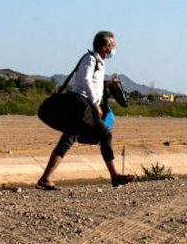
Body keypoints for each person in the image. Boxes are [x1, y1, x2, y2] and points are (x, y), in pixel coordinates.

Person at [36, 30, 135, 191]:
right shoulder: (90, 58)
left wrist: (106, 84)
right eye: (113, 45)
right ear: (105, 47)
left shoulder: (99, 61)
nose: (114, 49)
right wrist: (95, 103)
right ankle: (115, 176)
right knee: (104, 133)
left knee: (69, 138)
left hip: (84, 104)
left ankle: (45, 178)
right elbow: (86, 80)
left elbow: (93, 82)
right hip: (81, 104)